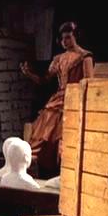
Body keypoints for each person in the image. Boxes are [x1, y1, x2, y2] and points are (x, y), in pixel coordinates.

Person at [21, 21, 93, 178]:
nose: (64, 41)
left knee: (64, 136)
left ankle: (65, 172)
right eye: (62, 39)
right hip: (59, 98)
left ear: (76, 37)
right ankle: (43, 172)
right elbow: (44, 80)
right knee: (44, 132)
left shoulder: (85, 57)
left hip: (75, 99)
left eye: (68, 37)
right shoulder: (59, 58)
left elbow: (89, 82)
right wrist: (29, 74)